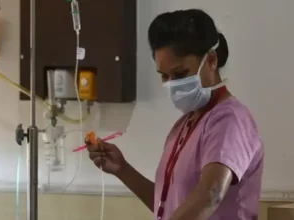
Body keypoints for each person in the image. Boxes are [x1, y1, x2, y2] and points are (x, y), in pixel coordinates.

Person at [86, 9, 264, 220]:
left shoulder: (229, 120)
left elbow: (211, 194)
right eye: (164, 76)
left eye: (180, 74)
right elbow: (168, 205)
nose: (173, 85)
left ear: (211, 60)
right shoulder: (185, 125)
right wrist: (122, 169)